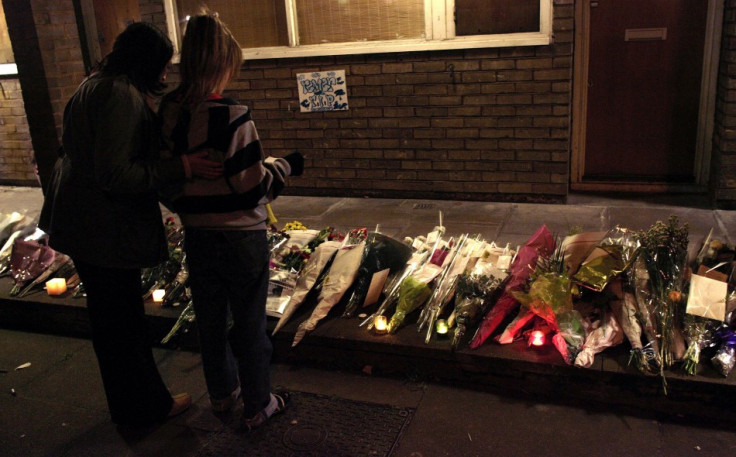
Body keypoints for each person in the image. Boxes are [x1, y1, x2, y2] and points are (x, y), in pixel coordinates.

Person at [40, 22, 223, 427]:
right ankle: (147, 409)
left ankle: (129, 407)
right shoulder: (120, 95)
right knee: (123, 324)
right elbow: (116, 174)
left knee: (110, 324)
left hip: (81, 222)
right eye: (161, 65)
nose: (163, 75)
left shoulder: (93, 84)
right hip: (103, 230)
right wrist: (182, 167)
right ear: (146, 62)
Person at [158, 12, 303, 431]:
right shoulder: (234, 116)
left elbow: (165, 179)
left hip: (198, 234)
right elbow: (251, 187)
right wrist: (284, 167)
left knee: (209, 318)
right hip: (241, 238)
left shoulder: (169, 112)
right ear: (222, 63)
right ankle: (259, 404)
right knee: (249, 323)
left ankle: (222, 395)